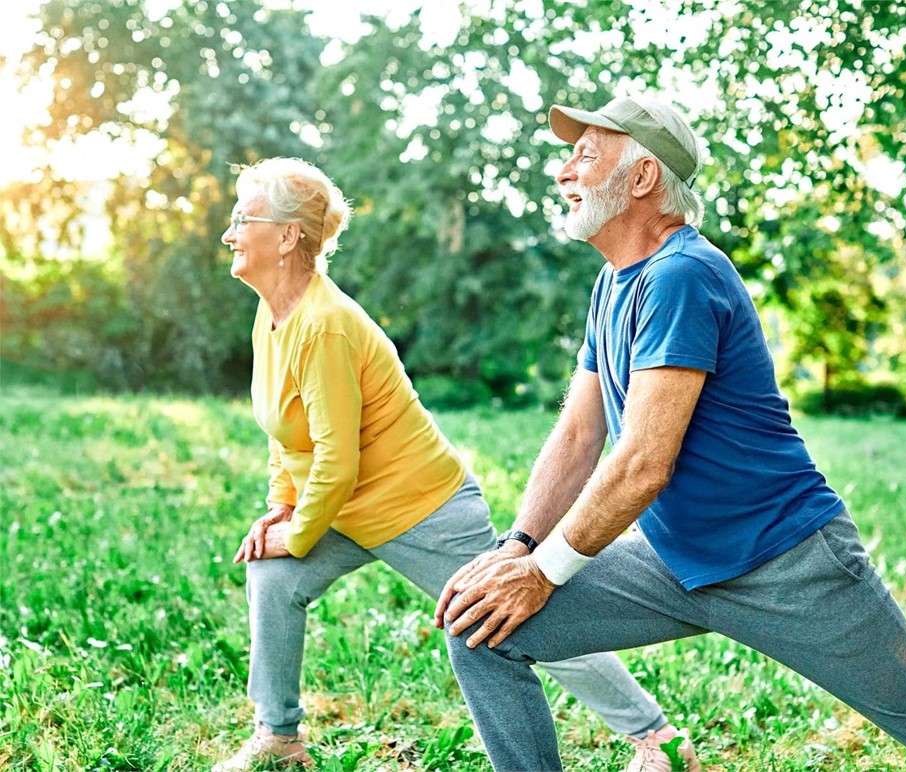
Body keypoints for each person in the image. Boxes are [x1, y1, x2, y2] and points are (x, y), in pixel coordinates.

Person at [435, 96, 906, 772]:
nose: (565, 171)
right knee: (481, 628)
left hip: (789, 563)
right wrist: (521, 547)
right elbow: (578, 433)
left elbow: (642, 464)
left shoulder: (682, 274)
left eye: (586, 155)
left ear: (644, 178)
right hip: (672, 561)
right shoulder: (612, 282)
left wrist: (545, 573)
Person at [212, 156, 696, 771]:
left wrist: (297, 532)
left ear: (286, 237)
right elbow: (289, 433)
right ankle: (279, 739)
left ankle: (659, 740)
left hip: (421, 509)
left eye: (241, 218)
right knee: (272, 576)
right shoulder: (272, 313)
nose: (229, 233)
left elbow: (336, 460)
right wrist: (281, 508)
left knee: (503, 619)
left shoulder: (326, 325)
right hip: (343, 505)